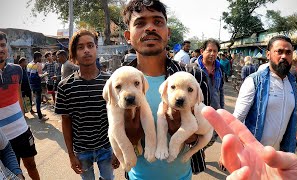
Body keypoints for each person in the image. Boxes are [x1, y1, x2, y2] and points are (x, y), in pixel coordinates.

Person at [122, 0, 210, 179]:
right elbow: (110, 135)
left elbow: (211, 131)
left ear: (168, 33)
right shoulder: (118, 84)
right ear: (128, 36)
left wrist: (188, 135)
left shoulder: (195, 77)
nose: (150, 28)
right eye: (140, 23)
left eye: (158, 22)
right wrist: (131, 137)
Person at [55, 29, 117, 180]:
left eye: (90, 45)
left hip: (107, 147)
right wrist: (71, 155)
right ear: (74, 53)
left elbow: (117, 118)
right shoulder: (65, 86)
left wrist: (118, 149)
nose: (86, 50)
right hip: (82, 151)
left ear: (96, 48)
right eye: (80, 47)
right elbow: (66, 122)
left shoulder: (110, 82)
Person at [233, 35, 297, 153]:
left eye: (288, 52)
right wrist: (228, 147)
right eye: (279, 51)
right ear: (268, 54)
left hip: (278, 156)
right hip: (252, 153)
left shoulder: (292, 83)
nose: (284, 56)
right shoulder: (254, 81)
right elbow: (236, 119)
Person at [202, 106, 297, 180]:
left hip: (276, 157)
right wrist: (232, 146)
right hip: (251, 147)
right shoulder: (254, 80)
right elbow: (240, 112)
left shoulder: (291, 83)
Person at [0, 31, 40, 180]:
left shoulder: (17, 70)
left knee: (32, 166)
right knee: (14, 174)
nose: (0, 49)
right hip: (3, 139)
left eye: (3, 45)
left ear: (7, 47)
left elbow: (18, 96)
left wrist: (24, 120)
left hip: (22, 131)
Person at [195, 39, 224, 110]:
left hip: (215, 110)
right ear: (202, 51)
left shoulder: (219, 69)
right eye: (209, 50)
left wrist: (222, 108)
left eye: (215, 51)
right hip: (198, 111)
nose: (212, 54)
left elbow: (220, 90)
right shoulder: (194, 69)